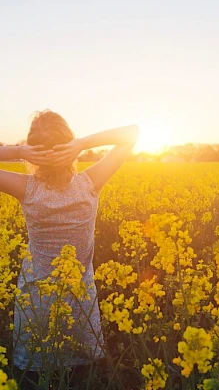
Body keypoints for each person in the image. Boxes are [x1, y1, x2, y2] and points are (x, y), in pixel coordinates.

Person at [0, 110, 139, 388]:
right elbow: (131, 133)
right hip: (80, 303)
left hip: (36, 303)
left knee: (35, 378)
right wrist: (82, 143)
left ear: (32, 153)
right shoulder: (90, 184)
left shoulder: (25, 189)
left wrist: (17, 151)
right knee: (83, 378)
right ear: (69, 146)